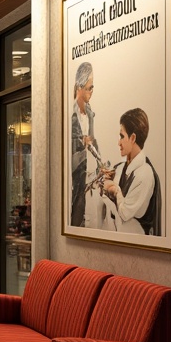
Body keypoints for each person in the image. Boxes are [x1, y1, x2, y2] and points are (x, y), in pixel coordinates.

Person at [101, 108, 161, 236]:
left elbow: (124, 213)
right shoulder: (120, 168)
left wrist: (114, 190)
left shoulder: (145, 174)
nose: (119, 142)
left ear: (133, 138)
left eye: (122, 136)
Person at [70, 61, 99, 227]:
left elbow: (93, 143)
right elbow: (69, 160)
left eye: (92, 87)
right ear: (79, 87)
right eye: (89, 88)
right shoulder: (72, 117)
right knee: (78, 216)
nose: (91, 92)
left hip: (90, 180)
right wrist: (83, 146)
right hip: (77, 184)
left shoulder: (89, 114)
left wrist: (100, 164)